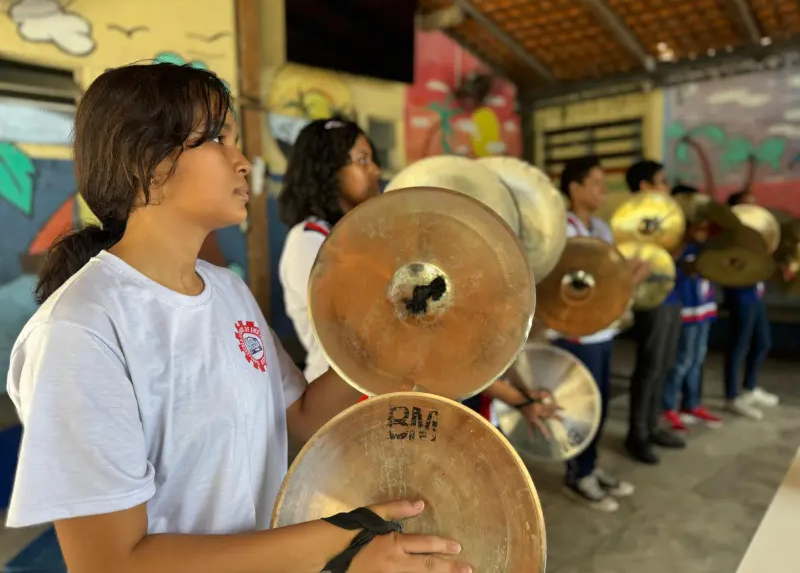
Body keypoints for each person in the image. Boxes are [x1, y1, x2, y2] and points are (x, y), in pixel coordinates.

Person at [4, 63, 471, 573]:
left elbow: (299, 419)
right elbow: (113, 563)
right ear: (147, 162)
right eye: (216, 139)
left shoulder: (227, 291)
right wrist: (340, 546)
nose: (243, 162)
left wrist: (387, 335)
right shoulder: (81, 331)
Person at [544, 156, 648, 512]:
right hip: (574, 332)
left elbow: (610, 276)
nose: (603, 190)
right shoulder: (562, 229)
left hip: (602, 331)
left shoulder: (601, 228)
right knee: (579, 409)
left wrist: (630, 276)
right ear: (574, 188)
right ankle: (577, 475)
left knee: (600, 403)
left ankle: (590, 466)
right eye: (596, 183)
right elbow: (556, 281)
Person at [278, 118, 381, 384]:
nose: (375, 170)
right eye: (362, 160)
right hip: (334, 394)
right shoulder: (308, 240)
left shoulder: (356, 236)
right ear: (329, 169)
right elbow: (351, 319)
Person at [624, 160, 686, 465]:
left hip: (672, 295)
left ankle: (652, 425)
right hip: (652, 298)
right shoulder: (632, 221)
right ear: (645, 187)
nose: (667, 187)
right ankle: (637, 434)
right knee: (649, 366)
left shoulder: (665, 218)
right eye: (661, 181)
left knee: (664, 364)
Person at [661, 186, 723, 432]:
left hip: (704, 307)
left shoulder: (705, 246)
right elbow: (670, 272)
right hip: (686, 309)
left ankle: (692, 404)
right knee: (682, 360)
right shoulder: (677, 245)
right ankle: (668, 406)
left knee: (698, 358)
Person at [722, 190, 778, 420]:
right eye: (747, 205)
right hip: (740, 295)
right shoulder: (729, 237)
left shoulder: (758, 234)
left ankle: (750, 387)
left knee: (763, 342)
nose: (754, 210)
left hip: (755, 294)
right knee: (739, 345)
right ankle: (732, 397)